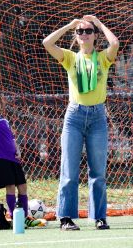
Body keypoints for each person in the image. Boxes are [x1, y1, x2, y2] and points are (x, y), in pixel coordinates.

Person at [43, 15, 119, 230]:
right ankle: (66, 218)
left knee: (98, 172)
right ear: (76, 37)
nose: (84, 34)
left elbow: (114, 43)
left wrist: (99, 23)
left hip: (97, 118)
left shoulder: (104, 58)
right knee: (69, 171)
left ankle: (100, 217)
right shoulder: (69, 58)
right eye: (80, 31)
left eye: (88, 31)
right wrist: (70, 25)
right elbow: (47, 43)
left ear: (95, 36)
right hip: (74, 117)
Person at [0, 93, 46, 227]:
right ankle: (15, 219)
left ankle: (25, 218)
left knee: (22, 187)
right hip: (1, 159)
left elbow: (12, 138)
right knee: (10, 187)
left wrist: (17, 150)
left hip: (13, 158)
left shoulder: (4, 121)